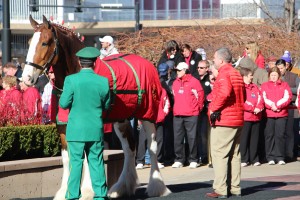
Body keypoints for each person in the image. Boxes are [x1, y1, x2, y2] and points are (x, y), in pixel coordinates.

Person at [59, 47, 110, 200]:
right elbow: (106, 105)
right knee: (97, 163)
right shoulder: (103, 81)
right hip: (95, 129)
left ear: (80, 63)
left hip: (76, 130)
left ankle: (73, 196)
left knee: (75, 164)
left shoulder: (71, 80)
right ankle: (100, 195)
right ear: (95, 63)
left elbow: (63, 103)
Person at [206, 47, 245, 198]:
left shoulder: (224, 73)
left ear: (221, 60)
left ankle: (220, 189)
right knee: (235, 154)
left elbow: (224, 92)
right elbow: (244, 95)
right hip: (238, 118)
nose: (213, 60)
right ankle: (235, 188)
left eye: (214, 58)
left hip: (225, 120)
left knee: (219, 154)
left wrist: (212, 109)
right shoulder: (236, 73)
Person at [171, 62, 204, 169]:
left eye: (179, 70)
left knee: (192, 138)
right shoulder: (175, 83)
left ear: (185, 70)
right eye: (176, 70)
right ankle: (179, 159)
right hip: (178, 114)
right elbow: (174, 96)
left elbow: (200, 97)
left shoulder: (194, 82)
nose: (177, 72)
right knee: (177, 138)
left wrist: (196, 109)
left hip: (191, 114)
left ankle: (193, 159)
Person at [261, 67, 292, 165]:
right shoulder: (264, 85)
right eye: (272, 75)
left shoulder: (285, 85)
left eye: (275, 75)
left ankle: (280, 157)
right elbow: (263, 97)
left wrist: (278, 106)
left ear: (279, 75)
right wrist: (272, 106)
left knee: (280, 135)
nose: (273, 77)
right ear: (269, 75)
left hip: (281, 114)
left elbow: (288, 97)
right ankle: (270, 156)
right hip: (269, 114)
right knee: (269, 135)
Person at [276, 59, 300, 162]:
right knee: (281, 132)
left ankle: (292, 153)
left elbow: (298, 89)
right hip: (279, 107)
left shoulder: (294, 76)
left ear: (286, 66)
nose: (280, 70)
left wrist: (286, 89)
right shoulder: (275, 76)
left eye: (281, 68)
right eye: (278, 68)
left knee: (292, 131)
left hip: (292, 107)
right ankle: (281, 154)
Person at [239, 67, 264, 167]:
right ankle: (244, 159)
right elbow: (242, 102)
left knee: (255, 139)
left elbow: (260, 98)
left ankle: (254, 159)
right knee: (244, 139)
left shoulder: (255, 87)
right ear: (244, 76)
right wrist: (252, 109)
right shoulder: (241, 88)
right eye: (250, 75)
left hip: (257, 117)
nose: (252, 77)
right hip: (246, 117)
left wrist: (259, 107)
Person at [196, 60, 212, 165]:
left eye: (201, 68)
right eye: (198, 67)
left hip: (207, 111)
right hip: (197, 110)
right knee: (197, 134)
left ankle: (206, 157)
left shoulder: (210, 79)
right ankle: (199, 156)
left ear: (207, 68)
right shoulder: (195, 79)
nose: (199, 69)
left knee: (205, 135)